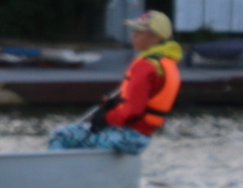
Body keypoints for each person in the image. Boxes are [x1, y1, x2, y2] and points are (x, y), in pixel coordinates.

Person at [47, 9, 181, 153]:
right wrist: (114, 106)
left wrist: (105, 117)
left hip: (126, 137)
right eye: (134, 31)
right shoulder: (167, 63)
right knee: (82, 135)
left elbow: (132, 111)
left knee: (61, 135)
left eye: (139, 31)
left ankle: (59, 173)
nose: (133, 35)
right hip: (141, 138)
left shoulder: (145, 66)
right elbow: (140, 104)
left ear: (155, 38)